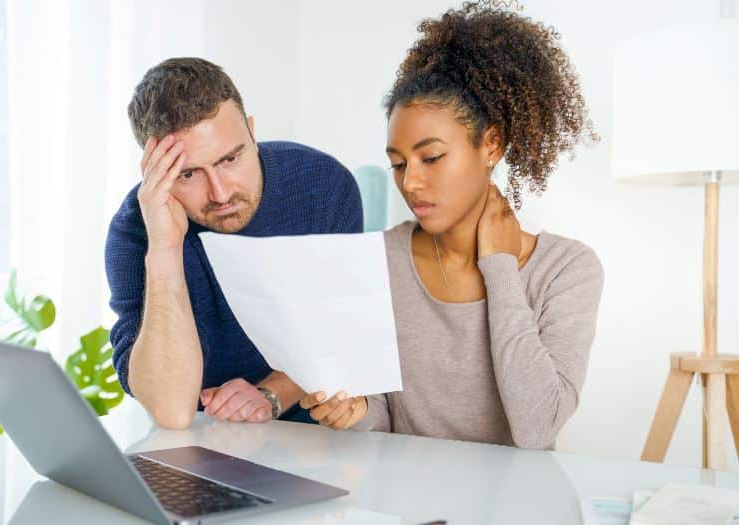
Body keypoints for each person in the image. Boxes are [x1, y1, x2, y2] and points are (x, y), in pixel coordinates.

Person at [299, 1, 604, 450]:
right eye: (398, 164)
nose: (411, 182)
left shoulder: (566, 269)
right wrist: (358, 412)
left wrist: (499, 267)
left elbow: (537, 429)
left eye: (432, 157)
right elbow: (388, 411)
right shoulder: (382, 257)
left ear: (491, 144)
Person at [105, 58, 363, 429]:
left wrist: (270, 394)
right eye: (189, 174)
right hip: (201, 441)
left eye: (230, 159)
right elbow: (172, 411)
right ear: (153, 172)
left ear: (252, 133)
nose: (221, 192)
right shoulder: (134, 230)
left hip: (315, 434)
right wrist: (164, 247)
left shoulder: (322, 186)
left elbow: (342, 329)